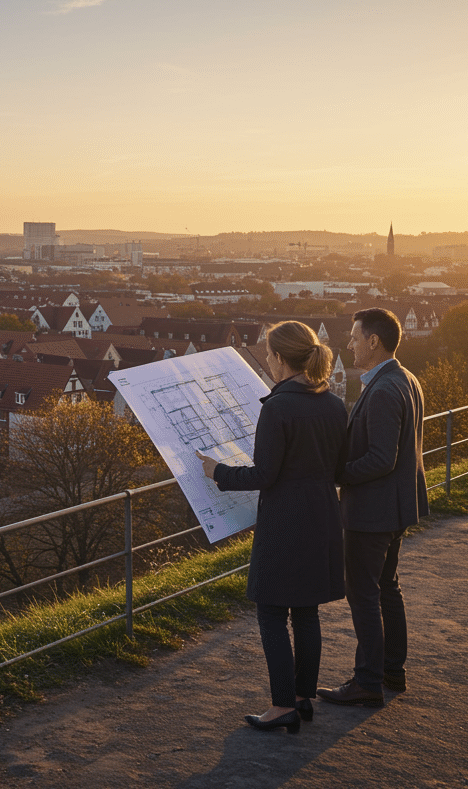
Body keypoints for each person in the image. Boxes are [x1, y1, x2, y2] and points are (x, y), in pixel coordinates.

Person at [196, 321, 346, 734]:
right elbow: (337, 465)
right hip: (323, 516)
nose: (266, 360)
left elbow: (264, 474)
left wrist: (217, 471)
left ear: (280, 358)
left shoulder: (278, 407)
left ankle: (282, 706)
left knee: (271, 613)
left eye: (268, 354)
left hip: (286, 521)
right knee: (307, 612)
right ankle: (302, 697)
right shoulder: (333, 404)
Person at [317, 307, 426, 708]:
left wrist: (337, 474)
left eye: (354, 337)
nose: (348, 344)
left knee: (362, 592)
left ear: (373, 341)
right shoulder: (405, 378)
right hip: (398, 505)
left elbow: (381, 458)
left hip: (373, 511)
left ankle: (367, 682)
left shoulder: (381, 390)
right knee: (385, 587)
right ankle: (392, 670)